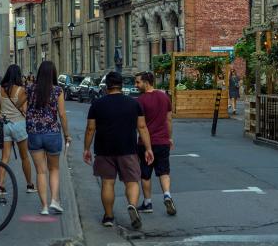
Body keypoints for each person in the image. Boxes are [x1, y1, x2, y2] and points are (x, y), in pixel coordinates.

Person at [83, 71, 153, 230]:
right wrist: (148, 148)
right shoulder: (134, 103)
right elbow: (142, 127)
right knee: (132, 181)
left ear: (106, 86)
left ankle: (108, 216)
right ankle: (132, 206)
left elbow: (90, 129)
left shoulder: (97, 104)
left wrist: (86, 149)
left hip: (104, 149)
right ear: (121, 85)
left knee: (107, 183)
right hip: (128, 148)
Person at [25, 60, 70, 215]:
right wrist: (67, 134)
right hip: (52, 132)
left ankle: (44, 207)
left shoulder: (30, 88)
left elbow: (21, 105)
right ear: (53, 73)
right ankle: (55, 201)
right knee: (54, 169)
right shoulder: (57, 90)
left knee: (40, 172)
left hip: (34, 133)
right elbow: (62, 115)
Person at [135, 72, 176, 216]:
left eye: (138, 82)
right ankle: (167, 195)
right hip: (163, 141)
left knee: (145, 174)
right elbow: (169, 120)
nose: (136, 85)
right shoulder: (164, 97)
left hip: (146, 143)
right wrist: (169, 137)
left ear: (146, 83)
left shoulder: (140, 101)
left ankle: (148, 203)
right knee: (164, 171)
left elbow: (140, 125)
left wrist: (146, 147)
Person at [0, 64, 34, 194]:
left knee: (4, 157)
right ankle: (29, 185)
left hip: (6, 125)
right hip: (19, 125)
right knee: (24, 157)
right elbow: (25, 109)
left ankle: (1, 186)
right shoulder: (21, 90)